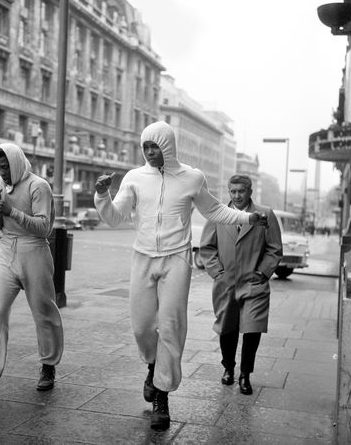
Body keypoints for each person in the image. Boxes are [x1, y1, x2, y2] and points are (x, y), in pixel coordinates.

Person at [94, 121, 268, 430]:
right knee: (142, 327)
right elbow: (115, 217)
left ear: (168, 147)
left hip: (176, 259)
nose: (149, 152)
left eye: (155, 146)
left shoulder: (192, 178)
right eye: (145, 147)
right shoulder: (134, 178)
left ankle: (162, 394)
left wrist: (248, 217)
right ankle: (152, 365)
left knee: (171, 326)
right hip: (143, 258)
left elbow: (214, 210)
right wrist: (102, 196)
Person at [0, 143, 64, 407]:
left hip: (34, 252)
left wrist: (11, 211)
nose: (3, 172)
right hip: (6, 249)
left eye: (6, 167)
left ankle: (48, 365)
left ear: (17, 162)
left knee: (43, 311)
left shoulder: (38, 185)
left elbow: (43, 228)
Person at [199, 174, 282, 395]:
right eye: (233, 191)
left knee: (252, 329)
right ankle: (228, 368)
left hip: (253, 283)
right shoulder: (217, 215)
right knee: (227, 329)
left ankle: (245, 375)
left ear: (250, 192)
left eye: (241, 191)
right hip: (226, 283)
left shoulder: (265, 214)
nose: (237, 196)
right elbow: (206, 248)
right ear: (229, 192)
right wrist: (218, 273)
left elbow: (274, 248)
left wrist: (263, 273)